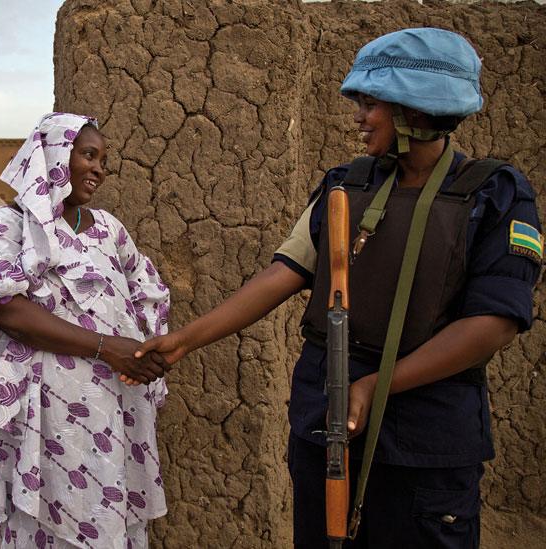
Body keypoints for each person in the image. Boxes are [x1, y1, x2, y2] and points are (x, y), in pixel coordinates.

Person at [135, 28, 542, 548]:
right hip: (324, 424)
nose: (359, 117)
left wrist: (374, 387)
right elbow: (283, 273)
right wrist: (184, 342)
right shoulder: (344, 185)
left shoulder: (496, 194)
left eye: (370, 103)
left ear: (412, 109)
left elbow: (494, 324)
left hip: (426, 441)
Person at [0, 112, 171, 548]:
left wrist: (145, 349)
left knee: (109, 511)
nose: (99, 168)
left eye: (103, 159)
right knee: (45, 516)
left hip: (115, 400)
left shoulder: (110, 231)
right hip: (45, 406)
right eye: (88, 154)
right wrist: (106, 346)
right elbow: (8, 310)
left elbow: (149, 292)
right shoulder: (7, 225)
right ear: (51, 155)